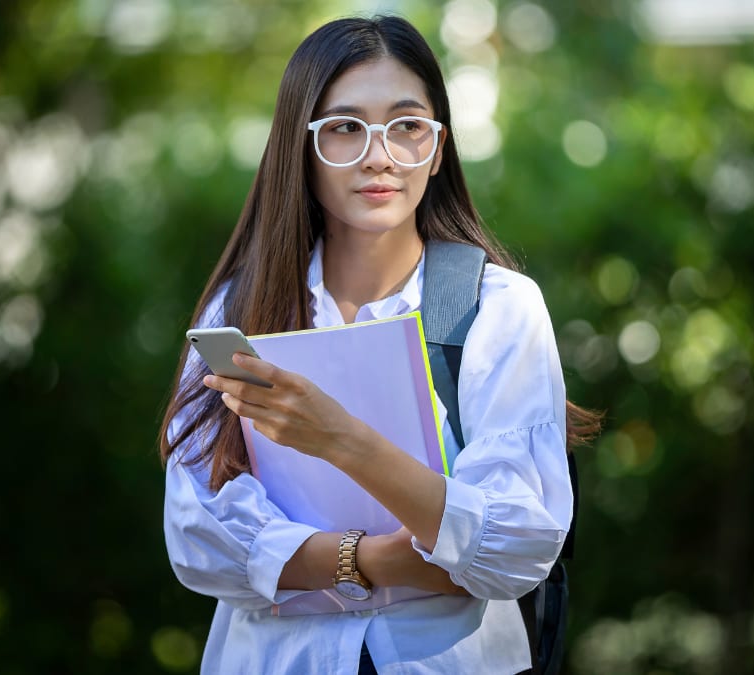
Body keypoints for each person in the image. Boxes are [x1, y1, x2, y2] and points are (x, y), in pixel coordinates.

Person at [158, 14, 600, 675]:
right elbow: (198, 536)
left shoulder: (497, 309)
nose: (379, 154)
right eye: (343, 127)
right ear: (299, 146)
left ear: (439, 145)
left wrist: (341, 441)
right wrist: (376, 560)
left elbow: (516, 546)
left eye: (407, 126)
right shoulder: (241, 311)